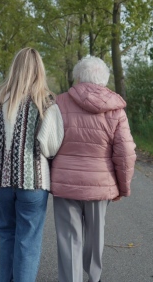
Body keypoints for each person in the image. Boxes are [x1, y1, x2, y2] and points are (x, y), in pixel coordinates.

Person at [50, 56, 137, 282]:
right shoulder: (116, 109)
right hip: (100, 185)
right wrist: (123, 186)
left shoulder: (58, 103)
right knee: (95, 235)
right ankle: (94, 278)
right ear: (105, 80)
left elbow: (47, 143)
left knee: (69, 237)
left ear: (78, 78)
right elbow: (125, 152)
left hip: (65, 182)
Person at [0, 47, 64, 282]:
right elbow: (52, 146)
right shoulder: (46, 102)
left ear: (14, 68)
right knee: (27, 241)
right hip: (33, 182)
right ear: (39, 69)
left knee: (7, 235)